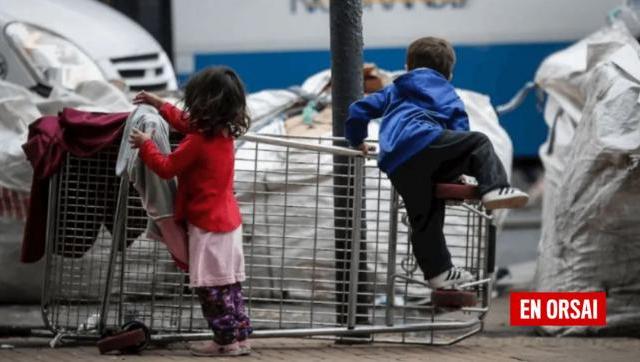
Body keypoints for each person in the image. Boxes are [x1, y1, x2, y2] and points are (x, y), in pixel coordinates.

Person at [345, 37, 529, 289]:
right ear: (449, 73)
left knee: (425, 219)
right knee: (478, 142)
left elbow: (358, 110)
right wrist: (460, 175)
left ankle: (439, 272)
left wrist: (357, 141)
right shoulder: (445, 90)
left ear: (407, 66)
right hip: (424, 141)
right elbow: (459, 130)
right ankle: (495, 187)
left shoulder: (395, 89)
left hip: (398, 163)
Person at [130, 66, 252, 357]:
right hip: (228, 222)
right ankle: (242, 336)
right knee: (231, 286)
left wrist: (146, 145)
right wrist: (160, 104)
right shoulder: (223, 133)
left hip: (208, 226)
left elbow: (166, 167)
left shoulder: (197, 141)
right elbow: (185, 122)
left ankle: (224, 342)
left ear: (202, 103)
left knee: (210, 288)